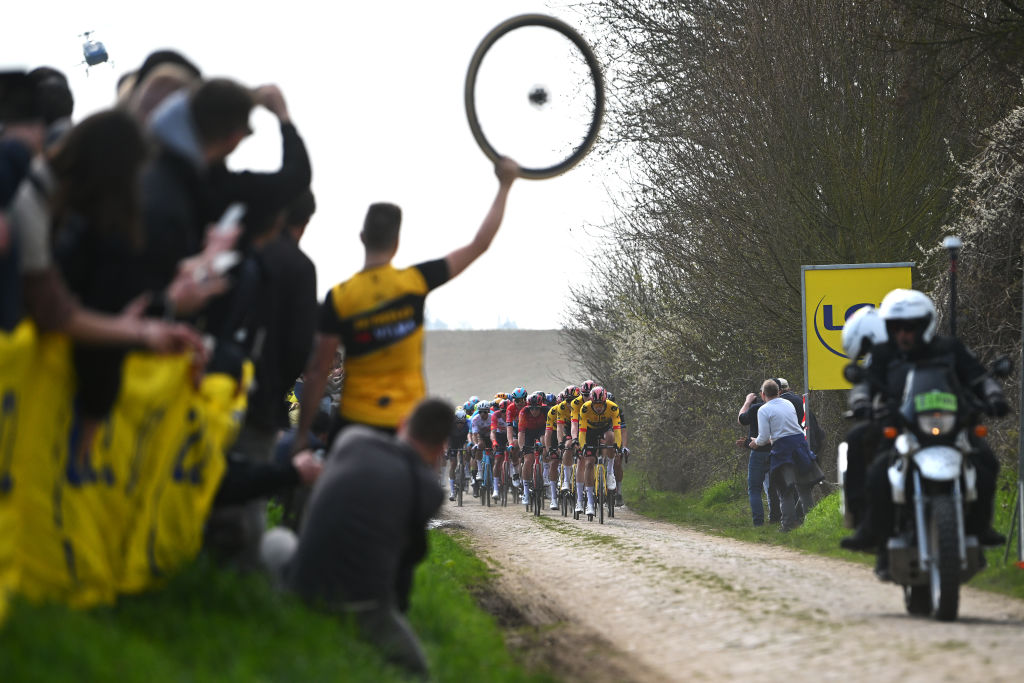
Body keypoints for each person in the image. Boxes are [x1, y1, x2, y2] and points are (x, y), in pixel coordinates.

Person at [293, 157, 520, 451]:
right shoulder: (414, 281)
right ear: (397, 241)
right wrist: (505, 185)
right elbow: (480, 244)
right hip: (406, 423)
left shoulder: (340, 296)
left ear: (362, 238)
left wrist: (301, 437)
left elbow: (319, 371)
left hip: (354, 422)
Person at [263, 398, 454, 678]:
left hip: (301, 584)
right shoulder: (428, 490)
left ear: (402, 424)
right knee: (417, 669)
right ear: (441, 448)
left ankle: (276, 612)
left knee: (277, 539)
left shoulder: (353, 439)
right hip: (364, 605)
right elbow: (410, 557)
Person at [840, 289, 1007, 554]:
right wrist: (860, 403)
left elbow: (979, 377)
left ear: (925, 324)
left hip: (952, 423)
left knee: (986, 461)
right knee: (877, 469)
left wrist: (994, 395)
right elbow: (864, 383)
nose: (903, 334)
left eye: (910, 327)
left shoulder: (950, 348)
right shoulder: (884, 353)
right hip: (903, 423)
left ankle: (980, 525)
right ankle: (870, 528)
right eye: (896, 327)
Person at [748, 379, 816, 531]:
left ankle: (787, 525)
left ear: (762, 394)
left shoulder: (763, 410)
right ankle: (812, 523)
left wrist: (755, 442)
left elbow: (764, 437)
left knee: (785, 490)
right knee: (804, 488)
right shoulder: (788, 404)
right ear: (779, 392)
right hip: (800, 445)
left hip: (783, 450)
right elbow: (789, 428)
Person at [574, 386, 622, 517]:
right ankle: (589, 502)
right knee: (589, 463)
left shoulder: (613, 407)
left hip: (604, 430)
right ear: (591, 402)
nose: (599, 407)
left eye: (601, 404)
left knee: (611, 437)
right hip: (589, 432)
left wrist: (618, 445)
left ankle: (610, 472)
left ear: (605, 402)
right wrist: (583, 446)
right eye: (596, 404)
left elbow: (617, 428)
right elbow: (582, 431)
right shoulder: (585, 408)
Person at [737, 389, 778, 527]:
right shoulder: (781, 407)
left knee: (754, 489)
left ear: (762, 394)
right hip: (775, 451)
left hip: (758, 451)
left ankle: (758, 523)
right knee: (774, 487)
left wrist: (748, 401)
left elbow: (741, 419)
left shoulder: (755, 408)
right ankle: (775, 519)